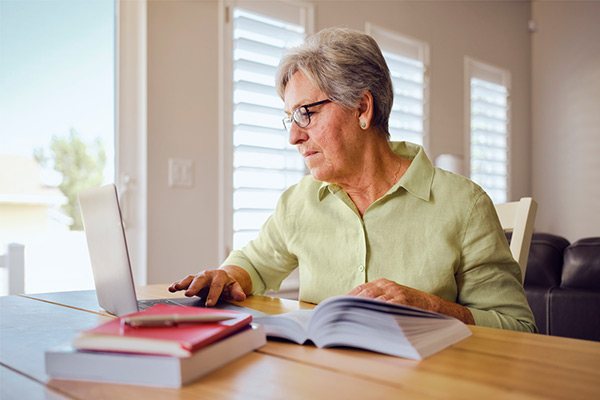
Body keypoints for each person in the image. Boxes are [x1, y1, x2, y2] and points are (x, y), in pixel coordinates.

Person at [170, 27, 536, 332]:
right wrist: (229, 275)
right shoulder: (299, 202)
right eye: (290, 118)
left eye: (305, 114)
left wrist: (430, 306)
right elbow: (253, 264)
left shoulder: (464, 204)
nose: (294, 137)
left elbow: (519, 328)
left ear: (362, 108)